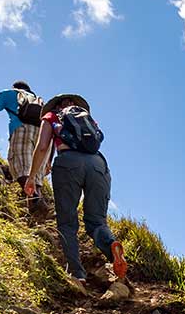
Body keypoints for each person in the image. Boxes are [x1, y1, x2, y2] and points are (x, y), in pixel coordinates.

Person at [26, 93, 127, 284]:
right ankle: (111, 247)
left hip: (68, 163)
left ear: (56, 105)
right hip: (98, 164)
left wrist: (32, 177)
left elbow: (42, 147)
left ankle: (77, 273)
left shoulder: (51, 117)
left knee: (67, 223)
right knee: (97, 222)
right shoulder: (88, 120)